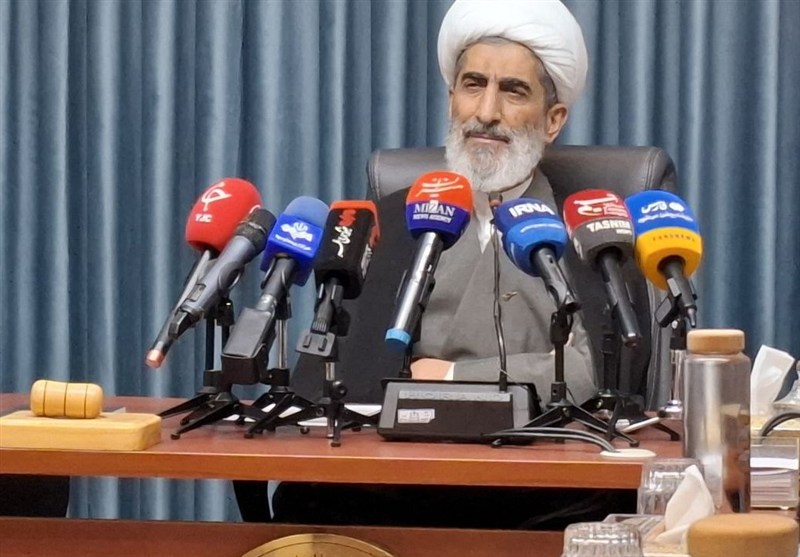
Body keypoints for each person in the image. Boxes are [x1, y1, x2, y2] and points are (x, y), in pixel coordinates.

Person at [242, 0, 636, 527]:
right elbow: (332, 377)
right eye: (473, 85)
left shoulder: (590, 229)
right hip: (394, 487)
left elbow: (598, 374)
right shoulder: (381, 220)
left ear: (552, 120)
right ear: (452, 99)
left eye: (513, 91)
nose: (486, 112)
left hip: (538, 491)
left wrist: (449, 376)